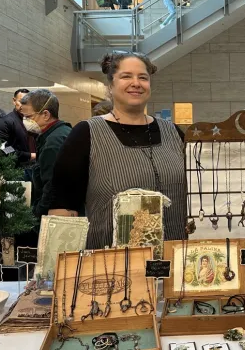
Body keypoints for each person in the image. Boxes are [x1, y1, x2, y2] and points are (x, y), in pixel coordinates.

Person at [48, 52, 186, 249]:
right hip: (112, 267)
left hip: (176, 261)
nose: (136, 83)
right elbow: (63, 204)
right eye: (126, 76)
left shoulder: (173, 132)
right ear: (110, 85)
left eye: (143, 77)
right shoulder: (86, 134)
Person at [20, 89, 72, 219]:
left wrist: (38, 213)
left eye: (29, 117)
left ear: (45, 114)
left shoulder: (53, 143)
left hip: (56, 213)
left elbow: (51, 186)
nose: (25, 121)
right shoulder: (64, 131)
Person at [0, 89, 37, 169]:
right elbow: (3, 148)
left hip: (34, 166)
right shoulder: (5, 122)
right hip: (15, 170)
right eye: (21, 101)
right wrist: (30, 155)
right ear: (14, 101)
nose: (24, 105)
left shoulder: (32, 120)